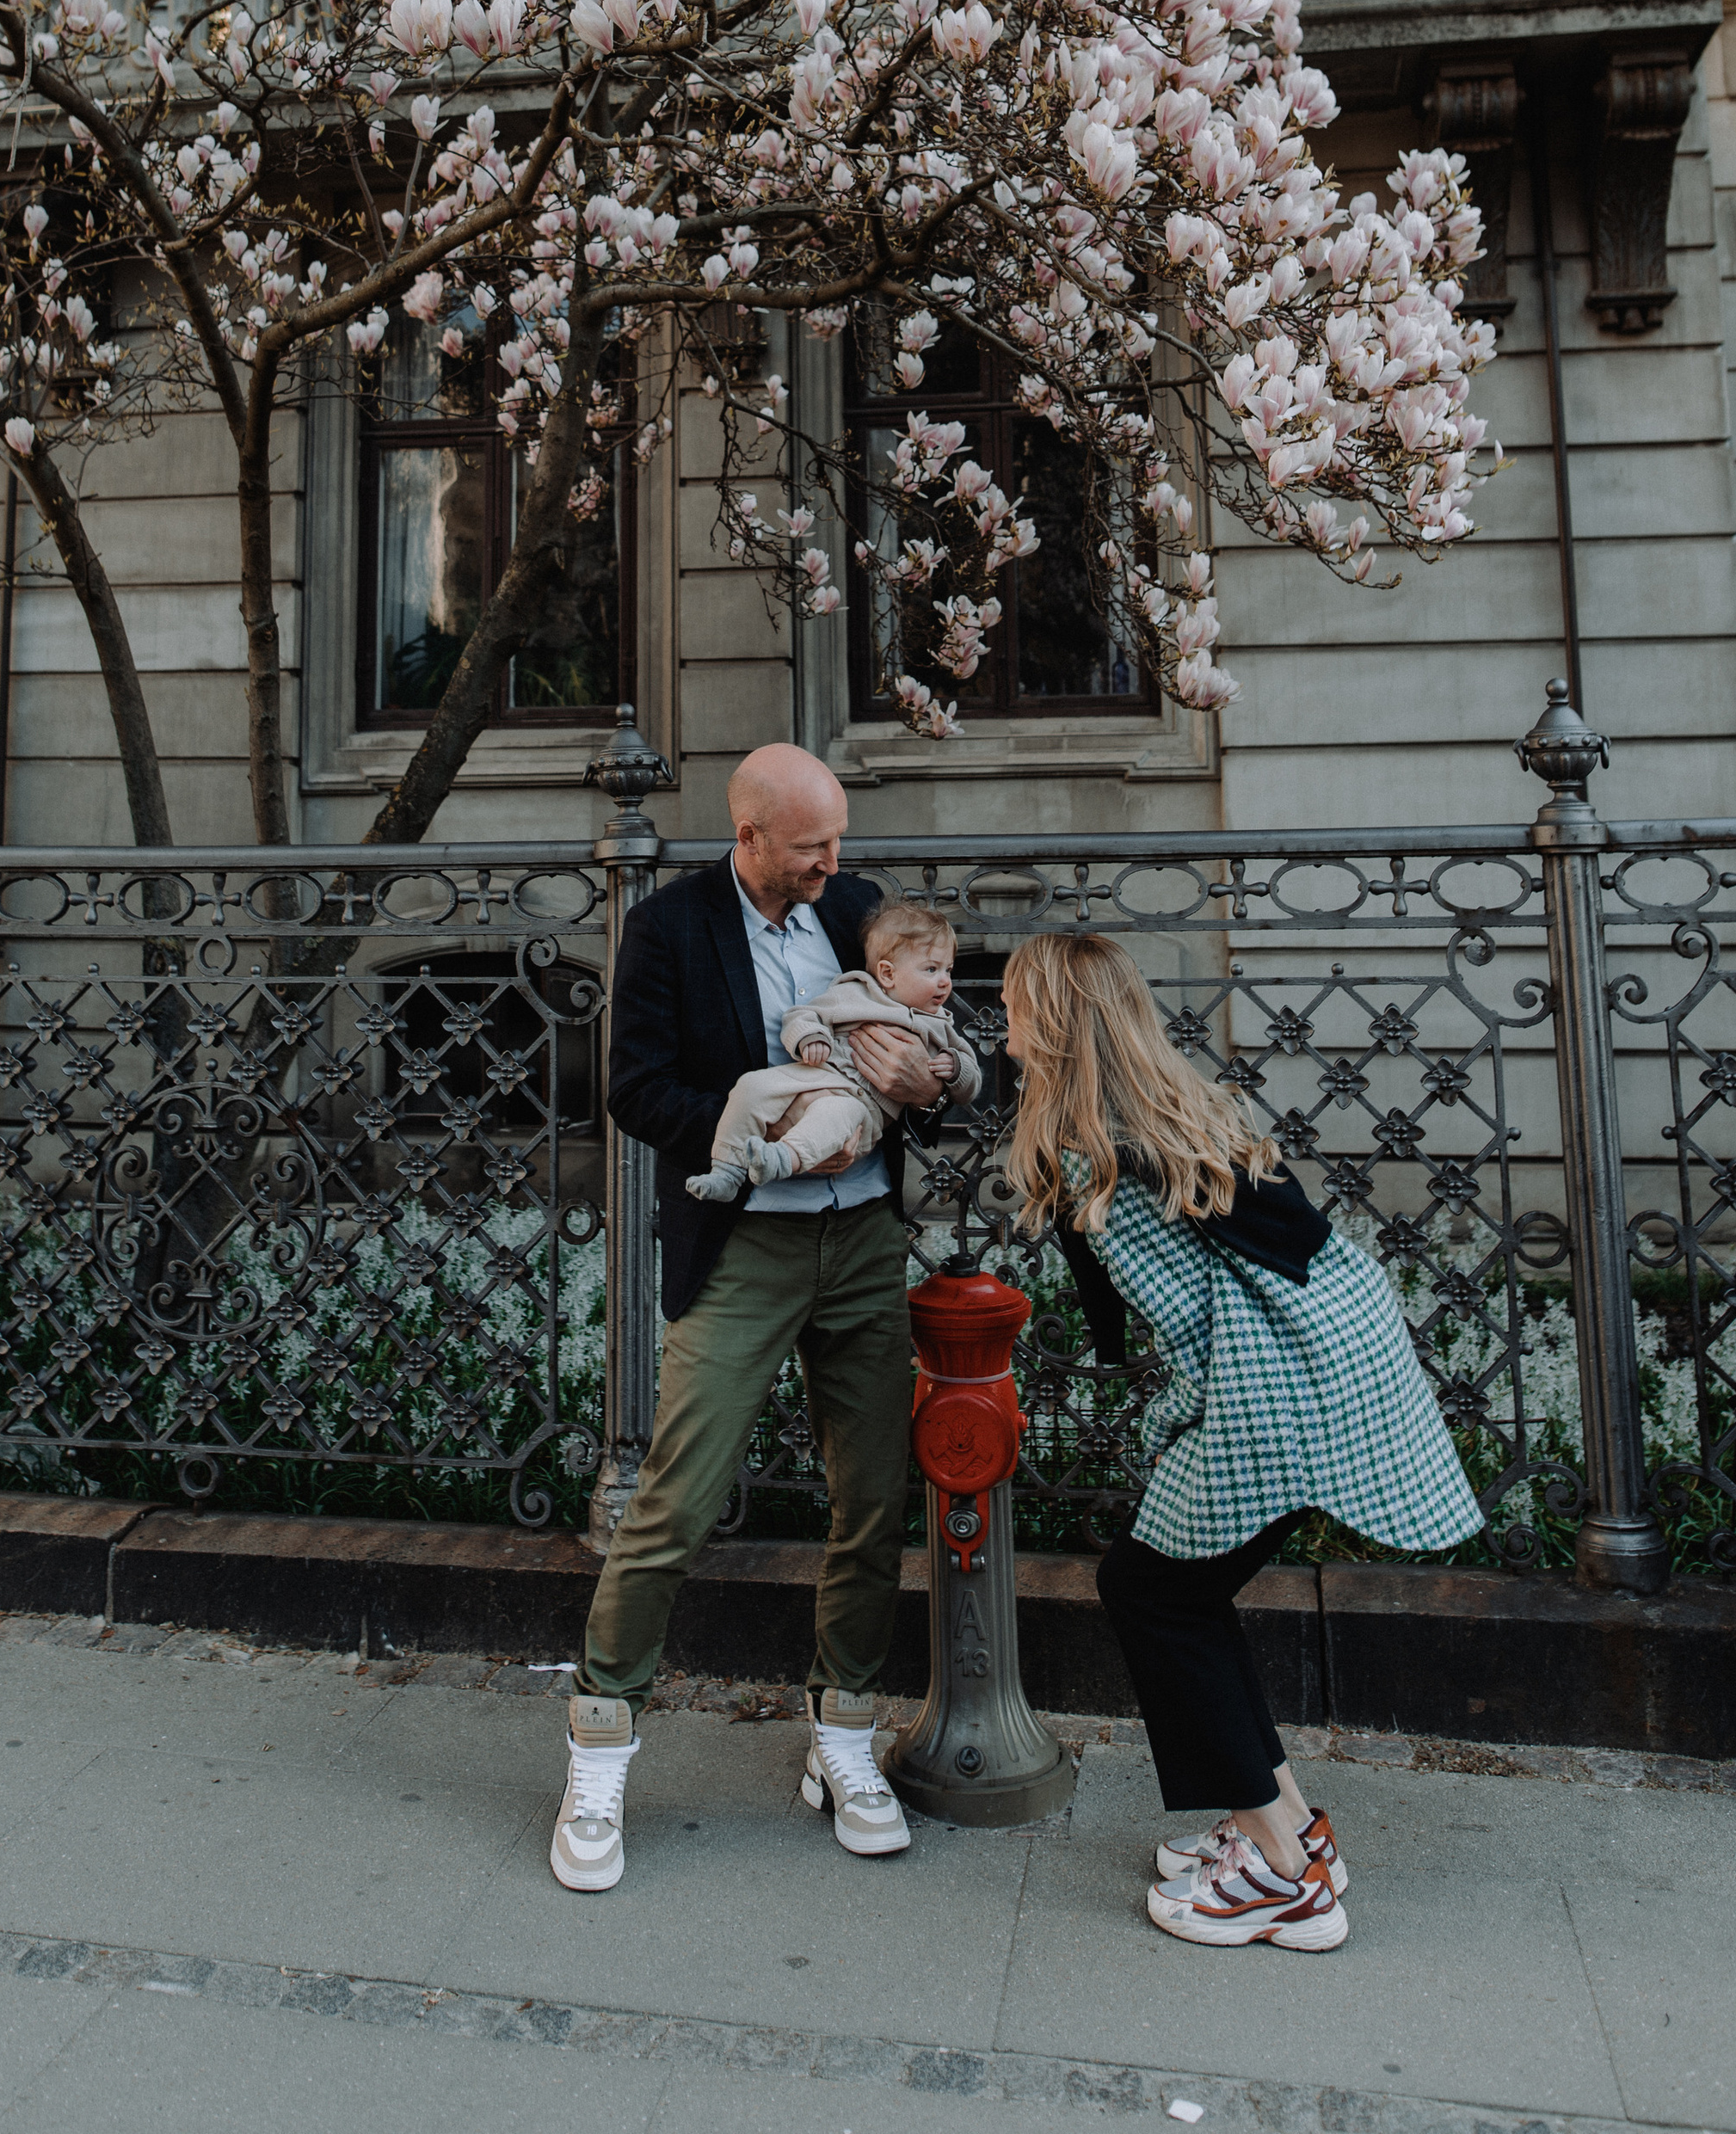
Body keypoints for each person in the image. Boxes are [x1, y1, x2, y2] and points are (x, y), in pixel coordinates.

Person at [1000, 929, 1484, 1953]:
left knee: (1154, 1594)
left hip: (1278, 1387)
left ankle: (1286, 1879)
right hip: (1328, 1360)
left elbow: (1185, 1309)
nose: (1003, 1035)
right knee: (1178, 1592)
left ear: (1050, 1025)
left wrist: (1172, 1414)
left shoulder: (1102, 1154)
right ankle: (1292, 1831)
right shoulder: (1178, 1112)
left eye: (1011, 1013)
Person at [551, 747, 965, 1894]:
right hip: (747, 1248)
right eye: (810, 846)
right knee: (673, 1500)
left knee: (872, 1497)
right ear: (749, 836)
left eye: (837, 842)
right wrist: (763, 1130)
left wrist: (928, 1085)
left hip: (862, 1240)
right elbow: (634, 1089)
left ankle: (843, 1733)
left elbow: (941, 1040)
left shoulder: (858, 909)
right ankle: (599, 1745)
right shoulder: (672, 927)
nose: (834, 863)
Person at [685, 899, 978, 1203]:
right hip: (813, 1076)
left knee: (833, 1115)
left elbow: (971, 1081)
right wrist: (810, 1036)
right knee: (751, 1086)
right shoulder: (852, 993)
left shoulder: (940, 1025)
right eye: (931, 969)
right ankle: (726, 1171)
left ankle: (780, 1159)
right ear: (888, 974)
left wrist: (956, 1068)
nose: (945, 982)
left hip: (860, 1109)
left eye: (948, 970)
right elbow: (803, 1015)